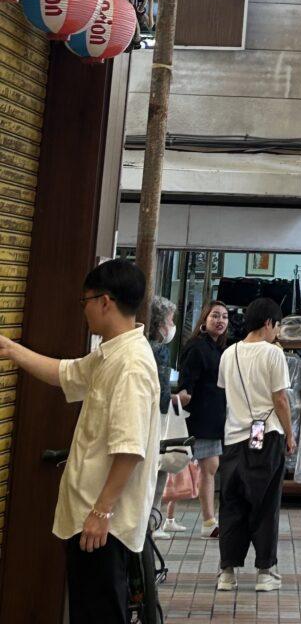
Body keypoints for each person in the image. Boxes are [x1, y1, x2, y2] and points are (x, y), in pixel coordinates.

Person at [0, 257, 160, 623]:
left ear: (105, 301)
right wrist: (12, 350)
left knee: (98, 614)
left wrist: (101, 512)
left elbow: (129, 449)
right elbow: (66, 374)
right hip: (90, 516)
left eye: (84, 300)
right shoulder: (110, 353)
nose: (83, 309)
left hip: (103, 524)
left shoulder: (131, 364)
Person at [215, 296, 295, 596]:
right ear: (268, 323)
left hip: (233, 439)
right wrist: (290, 434)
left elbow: (226, 393)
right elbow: (280, 400)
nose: (278, 332)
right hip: (267, 436)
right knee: (265, 505)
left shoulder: (229, 353)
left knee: (231, 504)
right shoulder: (274, 354)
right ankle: (265, 572)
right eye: (278, 325)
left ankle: (227, 573)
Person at [177, 299, 228, 533]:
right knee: (184, 468)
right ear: (204, 319)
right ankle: (205, 521)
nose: (220, 321)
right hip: (199, 417)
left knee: (208, 468)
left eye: (224, 317)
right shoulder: (197, 347)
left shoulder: (219, 349)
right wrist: (181, 399)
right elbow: (186, 382)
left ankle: (208, 522)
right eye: (215, 316)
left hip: (213, 418)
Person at [147, 295, 186, 534]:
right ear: (160, 323)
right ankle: (152, 525)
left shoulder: (141, 345)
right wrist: (173, 400)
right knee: (157, 475)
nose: (172, 326)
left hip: (143, 421)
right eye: (170, 321)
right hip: (156, 425)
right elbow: (162, 395)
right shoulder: (159, 351)